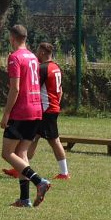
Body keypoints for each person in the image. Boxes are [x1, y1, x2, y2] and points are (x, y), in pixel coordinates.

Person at [1, 24, 53, 208]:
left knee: (7, 153)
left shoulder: (14, 58)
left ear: (11, 38)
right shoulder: (33, 57)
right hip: (36, 110)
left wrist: (6, 113)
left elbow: (15, 88)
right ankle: (24, 199)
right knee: (21, 153)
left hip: (21, 111)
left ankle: (39, 181)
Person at [30, 39, 70, 180]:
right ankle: (21, 168)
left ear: (42, 52)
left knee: (54, 141)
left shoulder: (43, 69)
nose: (36, 54)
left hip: (46, 110)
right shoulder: (56, 67)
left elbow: (34, 87)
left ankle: (64, 173)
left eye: (37, 51)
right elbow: (61, 90)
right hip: (51, 108)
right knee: (32, 138)